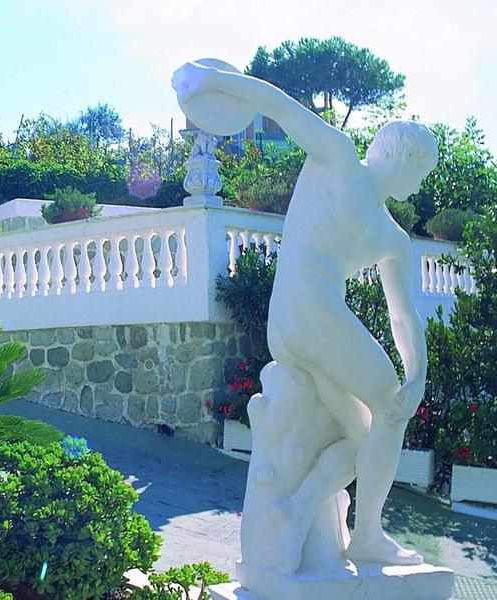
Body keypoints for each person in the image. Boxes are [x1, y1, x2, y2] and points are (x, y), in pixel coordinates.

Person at [173, 62, 438, 574]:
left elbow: (406, 316)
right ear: (405, 158)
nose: (420, 182)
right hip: (312, 311)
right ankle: (367, 536)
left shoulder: (393, 240)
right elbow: (277, 105)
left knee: (362, 432)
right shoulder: (338, 157)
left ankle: (294, 514)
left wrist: (419, 372)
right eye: (422, 171)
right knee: (389, 406)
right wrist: (209, 79)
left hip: (292, 324)